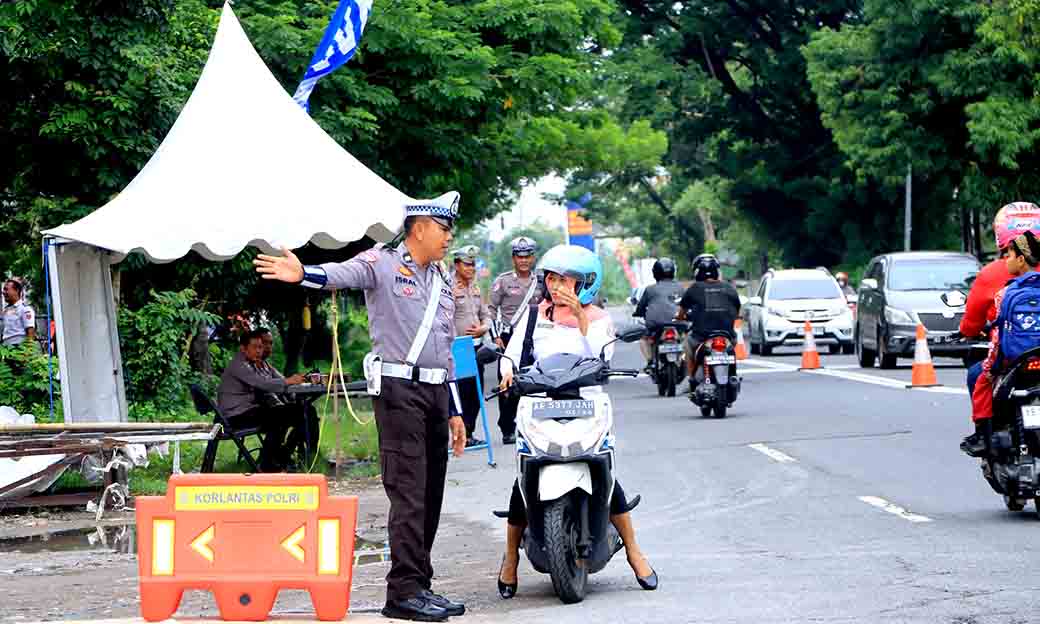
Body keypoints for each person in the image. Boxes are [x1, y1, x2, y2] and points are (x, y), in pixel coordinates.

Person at [254, 192, 468, 623]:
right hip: (398, 391)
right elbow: (341, 274)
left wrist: (455, 409)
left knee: (431, 494)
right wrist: (303, 274)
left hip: (436, 393)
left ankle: (420, 583)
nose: (449, 238)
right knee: (408, 492)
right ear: (420, 228)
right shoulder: (383, 263)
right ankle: (403, 591)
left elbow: (446, 347)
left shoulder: (442, 279)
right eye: (444, 230)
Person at [496, 244, 657, 598]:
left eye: (564, 279)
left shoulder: (598, 319)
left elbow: (602, 354)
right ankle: (510, 559)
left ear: (584, 283)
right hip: (540, 402)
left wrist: (579, 316)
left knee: (605, 474)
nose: (556, 286)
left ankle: (634, 552)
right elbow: (512, 353)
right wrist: (507, 372)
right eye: (551, 278)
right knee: (523, 480)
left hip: (587, 402)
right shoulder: (535, 315)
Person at [960, 202, 1040, 455]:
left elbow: (970, 325)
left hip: (1010, 356)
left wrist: (970, 331)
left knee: (977, 375)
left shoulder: (992, 273)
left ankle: (984, 434)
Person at [217, 330, 309, 471]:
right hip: (236, 416)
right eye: (255, 347)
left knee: (301, 411)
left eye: (261, 347)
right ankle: (271, 462)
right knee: (284, 416)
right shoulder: (239, 365)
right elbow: (262, 384)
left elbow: (270, 380)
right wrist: (289, 380)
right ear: (243, 348)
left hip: (248, 411)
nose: (260, 351)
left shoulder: (252, 363)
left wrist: (290, 382)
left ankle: (280, 457)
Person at [488, 236, 544, 444]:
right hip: (509, 337)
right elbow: (491, 310)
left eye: (528, 256)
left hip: (534, 338)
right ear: (513, 258)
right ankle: (507, 427)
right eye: (520, 257)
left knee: (534, 382)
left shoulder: (542, 280)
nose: (524, 261)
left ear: (533, 257)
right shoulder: (502, 281)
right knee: (507, 383)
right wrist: (495, 337)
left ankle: (529, 426)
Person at [254, 327, 320, 462]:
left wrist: (304, 378)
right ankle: (288, 456)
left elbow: (283, 381)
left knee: (306, 412)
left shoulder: (265, 365)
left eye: (271, 343)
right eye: (265, 343)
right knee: (305, 414)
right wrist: (288, 383)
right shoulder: (249, 365)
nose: (268, 347)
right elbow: (264, 385)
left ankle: (288, 455)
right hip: (254, 413)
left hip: (270, 409)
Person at [677, 254, 741, 386]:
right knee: (731, 349)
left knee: (687, 345)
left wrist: (680, 318)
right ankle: (732, 375)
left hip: (701, 337)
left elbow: (681, 313)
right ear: (717, 272)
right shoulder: (729, 288)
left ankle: (691, 379)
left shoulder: (694, 288)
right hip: (727, 336)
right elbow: (736, 312)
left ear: (697, 272)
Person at [450, 245, 489, 446]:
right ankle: (460, 434)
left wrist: (484, 328)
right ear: (457, 265)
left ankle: (470, 432)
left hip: (477, 346)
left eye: (473, 264)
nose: (471, 268)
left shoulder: (475, 287)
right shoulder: (448, 287)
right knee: (461, 392)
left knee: (476, 392)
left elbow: (486, 314)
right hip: (457, 348)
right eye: (467, 264)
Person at [632, 257, 685, 371]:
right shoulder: (681, 288)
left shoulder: (650, 289)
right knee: (686, 337)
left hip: (656, 324)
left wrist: (637, 313)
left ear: (655, 273)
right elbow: (688, 305)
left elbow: (641, 308)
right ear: (673, 272)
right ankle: (682, 359)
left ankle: (650, 362)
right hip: (678, 323)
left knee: (643, 338)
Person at [2, 279, 36, 347]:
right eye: (3, 289)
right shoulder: (6, 310)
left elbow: (30, 331)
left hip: (19, 347)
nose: (3, 292)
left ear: (16, 290)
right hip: (7, 348)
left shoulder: (25, 309)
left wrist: (27, 352)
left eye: (6, 289)